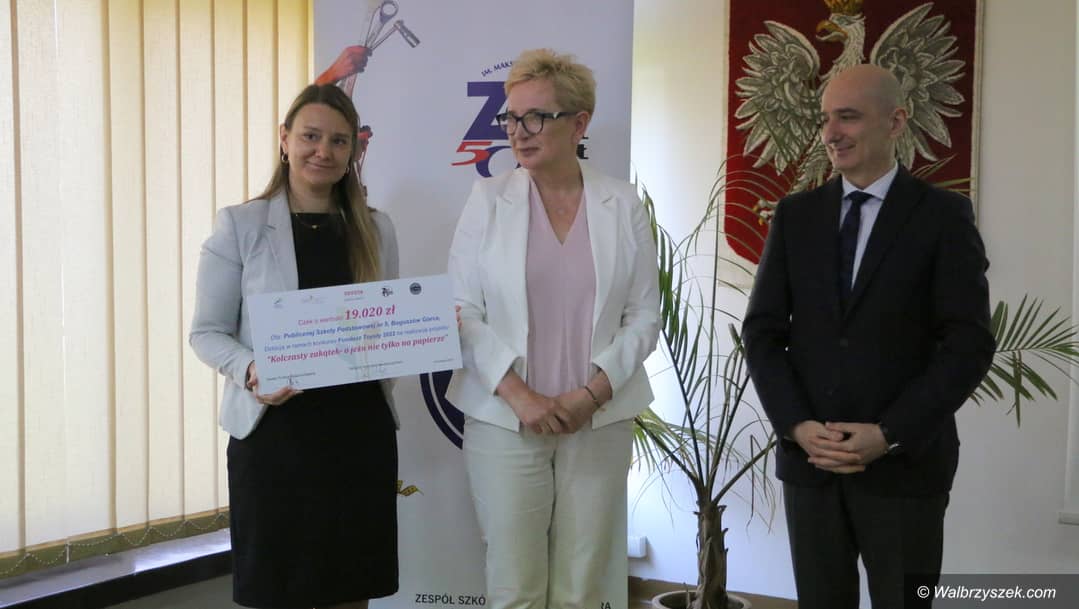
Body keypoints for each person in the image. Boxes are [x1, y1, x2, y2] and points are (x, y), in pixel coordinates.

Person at [742, 64, 995, 609]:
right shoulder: (795, 215)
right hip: (811, 466)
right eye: (825, 119)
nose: (831, 133)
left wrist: (889, 433)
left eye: (849, 117)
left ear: (895, 121)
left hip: (905, 469)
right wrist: (797, 426)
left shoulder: (944, 216)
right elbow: (762, 333)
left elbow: (968, 345)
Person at [447, 48, 660, 609]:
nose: (519, 131)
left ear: (579, 124)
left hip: (598, 418)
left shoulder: (622, 202)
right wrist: (521, 396)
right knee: (514, 583)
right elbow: (461, 311)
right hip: (505, 418)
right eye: (512, 118)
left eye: (537, 117)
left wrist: (592, 394)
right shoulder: (488, 200)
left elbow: (644, 317)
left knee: (584, 582)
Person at [189, 84, 400, 609]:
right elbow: (206, 332)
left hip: (358, 434)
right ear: (284, 139)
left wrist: (424, 330)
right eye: (310, 136)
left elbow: (387, 325)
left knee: (352, 589)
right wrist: (251, 368)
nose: (323, 151)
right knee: (277, 590)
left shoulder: (376, 228)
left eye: (338, 141)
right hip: (275, 436)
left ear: (354, 151)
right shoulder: (240, 225)